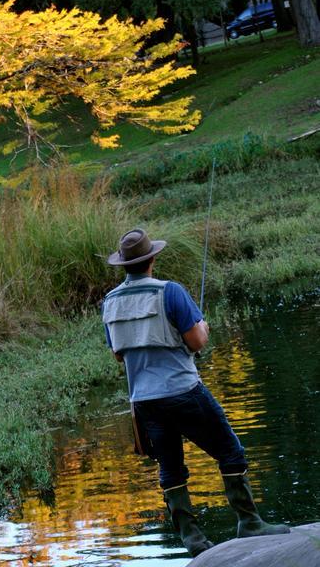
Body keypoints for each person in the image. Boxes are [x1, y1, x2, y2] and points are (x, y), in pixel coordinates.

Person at [102, 228, 289, 557]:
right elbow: (197, 341)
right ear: (152, 259)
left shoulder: (110, 302)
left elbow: (118, 353)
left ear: (123, 265)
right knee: (231, 452)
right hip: (183, 390)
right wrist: (202, 327)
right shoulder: (170, 292)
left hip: (144, 401)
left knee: (171, 468)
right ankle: (249, 523)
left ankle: (194, 542)